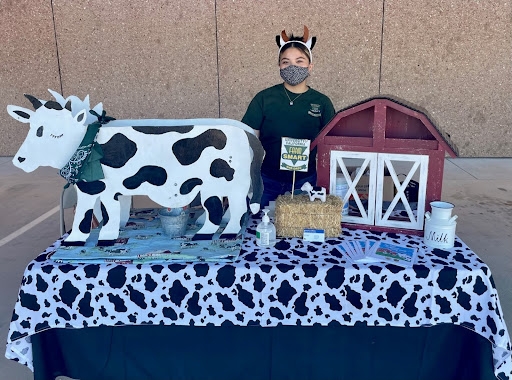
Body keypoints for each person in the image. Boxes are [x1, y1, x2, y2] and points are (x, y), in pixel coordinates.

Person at [242, 26, 335, 207]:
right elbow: (248, 140)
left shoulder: (322, 102)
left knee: (299, 229)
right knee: (260, 226)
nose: (292, 66)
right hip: (266, 180)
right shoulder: (264, 98)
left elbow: (330, 145)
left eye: (299, 61)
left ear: (310, 66)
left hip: (305, 183)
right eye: (286, 62)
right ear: (279, 66)